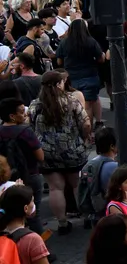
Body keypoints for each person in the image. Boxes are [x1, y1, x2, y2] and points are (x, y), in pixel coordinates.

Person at [30, 70, 88, 235]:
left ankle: (62, 222)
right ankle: (84, 216)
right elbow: (85, 124)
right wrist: (83, 139)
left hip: (47, 153)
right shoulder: (71, 102)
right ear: (57, 84)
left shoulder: (35, 105)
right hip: (72, 150)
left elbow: (30, 127)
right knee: (76, 184)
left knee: (56, 188)